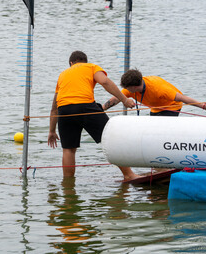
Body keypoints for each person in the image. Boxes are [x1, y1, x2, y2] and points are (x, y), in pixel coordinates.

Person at [48, 50, 140, 180]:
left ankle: (68, 184)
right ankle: (129, 175)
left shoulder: (62, 75)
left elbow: (54, 107)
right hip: (85, 106)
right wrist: (124, 100)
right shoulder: (91, 67)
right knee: (111, 139)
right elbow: (105, 82)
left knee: (68, 149)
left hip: (64, 109)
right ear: (85, 61)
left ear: (71, 63)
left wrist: (51, 131)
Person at [102, 69, 206, 116]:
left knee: (163, 131)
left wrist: (204, 106)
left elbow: (183, 98)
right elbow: (117, 98)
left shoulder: (159, 89)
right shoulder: (130, 88)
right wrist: (101, 109)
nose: (127, 91)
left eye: (128, 88)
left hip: (171, 107)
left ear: (135, 86)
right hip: (155, 107)